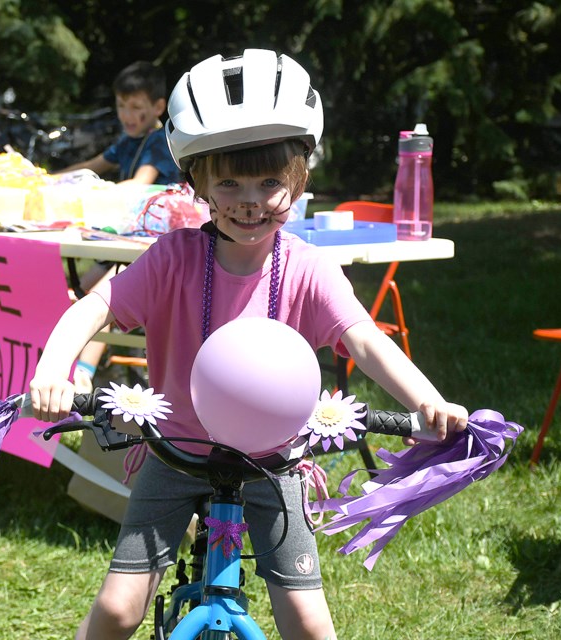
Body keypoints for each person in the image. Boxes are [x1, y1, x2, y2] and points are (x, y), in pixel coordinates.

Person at [29, 49, 468, 640]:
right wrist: (57, 369)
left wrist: (427, 400)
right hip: (175, 456)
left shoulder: (308, 268)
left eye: (269, 181)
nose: (250, 200)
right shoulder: (173, 259)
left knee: (310, 624)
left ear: (299, 178)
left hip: (275, 463)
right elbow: (92, 307)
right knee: (116, 610)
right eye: (229, 181)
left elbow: (365, 340)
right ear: (198, 182)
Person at [59, 61, 183, 393]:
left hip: (154, 248)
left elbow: (140, 183)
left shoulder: (160, 141)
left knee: (104, 295)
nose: (127, 114)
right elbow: (92, 165)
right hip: (123, 239)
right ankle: (65, 361)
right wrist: (52, 179)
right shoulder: (128, 141)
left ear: (158, 107)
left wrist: (93, 188)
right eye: (121, 106)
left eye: (136, 107)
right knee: (74, 291)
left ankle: (83, 374)